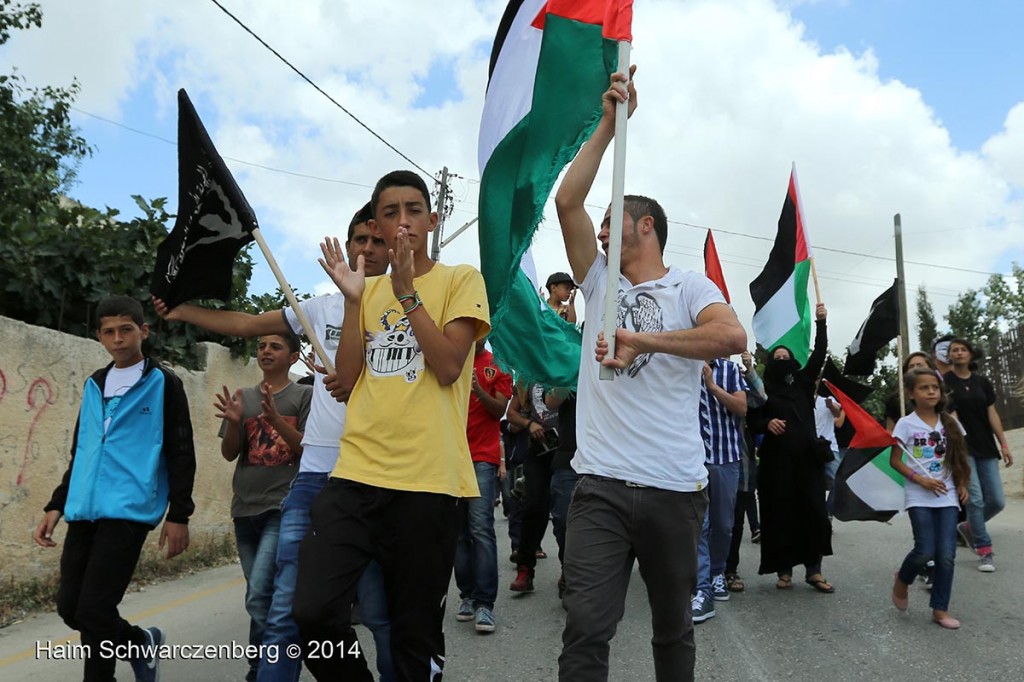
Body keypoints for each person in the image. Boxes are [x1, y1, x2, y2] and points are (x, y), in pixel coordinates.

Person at [553, 67, 747, 681]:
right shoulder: (596, 281)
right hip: (600, 486)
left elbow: (731, 337)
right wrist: (612, 124)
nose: (602, 230)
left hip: (674, 490)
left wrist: (642, 340)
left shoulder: (690, 285)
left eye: (614, 221)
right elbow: (567, 202)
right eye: (601, 223)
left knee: (672, 629)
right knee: (585, 626)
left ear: (647, 227)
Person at [154, 204, 394, 682]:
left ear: (393, 245)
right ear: (347, 246)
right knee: (287, 614)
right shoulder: (319, 307)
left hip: (378, 474)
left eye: (378, 241)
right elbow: (247, 323)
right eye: (359, 240)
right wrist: (183, 311)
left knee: (381, 614)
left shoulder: (406, 307)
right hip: (314, 479)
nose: (367, 249)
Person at [292, 170, 490, 680]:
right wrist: (358, 299)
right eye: (390, 212)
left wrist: (406, 294)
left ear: (432, 218)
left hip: (428, 484)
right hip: (355, 475)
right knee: (311, 615)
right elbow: (350, 377)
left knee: (413, 637)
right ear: (377, 225)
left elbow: (447, 366)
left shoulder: (461, 280)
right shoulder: (367, 291)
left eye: (413, 210)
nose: (403, 222)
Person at [33, 295, 196, 682]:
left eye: (126, 330)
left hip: (128, 510)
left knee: (94, 609)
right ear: (99, 337)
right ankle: (139, 643)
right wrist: (57, 504)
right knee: (71, 608)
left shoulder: (163, 383)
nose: (118, 339)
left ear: (144, 331)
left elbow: (181, 450)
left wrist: (179, 514)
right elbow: (83, 450)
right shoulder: (94, 384)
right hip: (85, 507)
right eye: (109, 332)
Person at [217, 333, 311, 682]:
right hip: (244, 510)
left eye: (275, 346)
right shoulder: (243, 397)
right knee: (262, 595)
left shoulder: (304, 395)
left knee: (259, 594)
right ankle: (262, 668)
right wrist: (233, 422)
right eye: (261, 346)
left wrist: (274, 420)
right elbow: (230, 453)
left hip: (283, 507)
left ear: (293, 356)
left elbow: (307, 450)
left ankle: (280, 659)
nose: (266, 351)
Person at [748, 302, 834, 593]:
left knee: (813, 513)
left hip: (807, 461)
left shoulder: (803, 381)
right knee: (780, 514)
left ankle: (814, 570)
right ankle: (783, 571)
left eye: (787, 356)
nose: (782, 359)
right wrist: (766, 423)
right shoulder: (763, 389)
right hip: (776, 464)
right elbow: (752, 419)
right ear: (770, 362)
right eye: (777, 357)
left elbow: (820, 353)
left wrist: (822, 323)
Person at [889, 368, 971, 629]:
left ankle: (940, 609)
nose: (931, 391)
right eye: (924, 388)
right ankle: (903, 579)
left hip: (947, 496)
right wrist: (920, 480)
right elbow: (895, 461)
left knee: (946, 553)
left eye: (935, 387)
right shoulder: (906, 424)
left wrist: (961, 484)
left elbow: (959, 458)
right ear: (912, 393)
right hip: (919, 495)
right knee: (925, 550)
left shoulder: (951, 423)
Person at [454, 337, 512, 633]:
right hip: (449, 456)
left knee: (480, 528)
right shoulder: (450, 358)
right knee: (459, 533)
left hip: (481, 458)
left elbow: (499, 410)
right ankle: (466, 596)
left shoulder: (498, 365)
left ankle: (485, 604)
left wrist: (477, 389)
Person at [944, 338, 1014, 572]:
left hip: (986, 446)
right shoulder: (946, 382)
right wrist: (958, 445)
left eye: (963, 349)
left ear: (971, 355)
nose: (959, 352)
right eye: (955, 350)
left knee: (996, 500)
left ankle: (968, 527)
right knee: (974, 499)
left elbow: (992, 413)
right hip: (964, 448)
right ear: (950, 356)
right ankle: (984, 549)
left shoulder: (982, 382)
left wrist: (1003, 444)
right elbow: (950, 416)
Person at [691, 357, 748, 623]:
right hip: (692, 461)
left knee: (724, 524)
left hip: (726, 458)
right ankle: (701, 588)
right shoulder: (682, 364)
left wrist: (712, 387)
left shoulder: (730, 369)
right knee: (699, 526)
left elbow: (741, 407)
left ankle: (717, 574)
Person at [506, 381, 561, 592]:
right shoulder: (526, 375)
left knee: (564, 512)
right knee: (533, 507)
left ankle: (569, 571)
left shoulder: (568, 361)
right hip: (538, 450)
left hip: (568, 450)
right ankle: (525, 569)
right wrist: (529, 424)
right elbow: (511, 414)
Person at [724, 350, 767, 594]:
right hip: (704, 464)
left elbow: (761, 397)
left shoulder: (737, 383)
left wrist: (748, 369)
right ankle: (702, 572)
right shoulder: (701, 378)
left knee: (735, 523)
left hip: (739, 465)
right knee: (705, 522)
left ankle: (730, 570)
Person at [884, 352, 936, 431]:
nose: (915, 368)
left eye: (920, 365)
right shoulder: (896, 400)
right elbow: (890, 430)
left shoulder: (941, 395)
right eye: (911, 366)